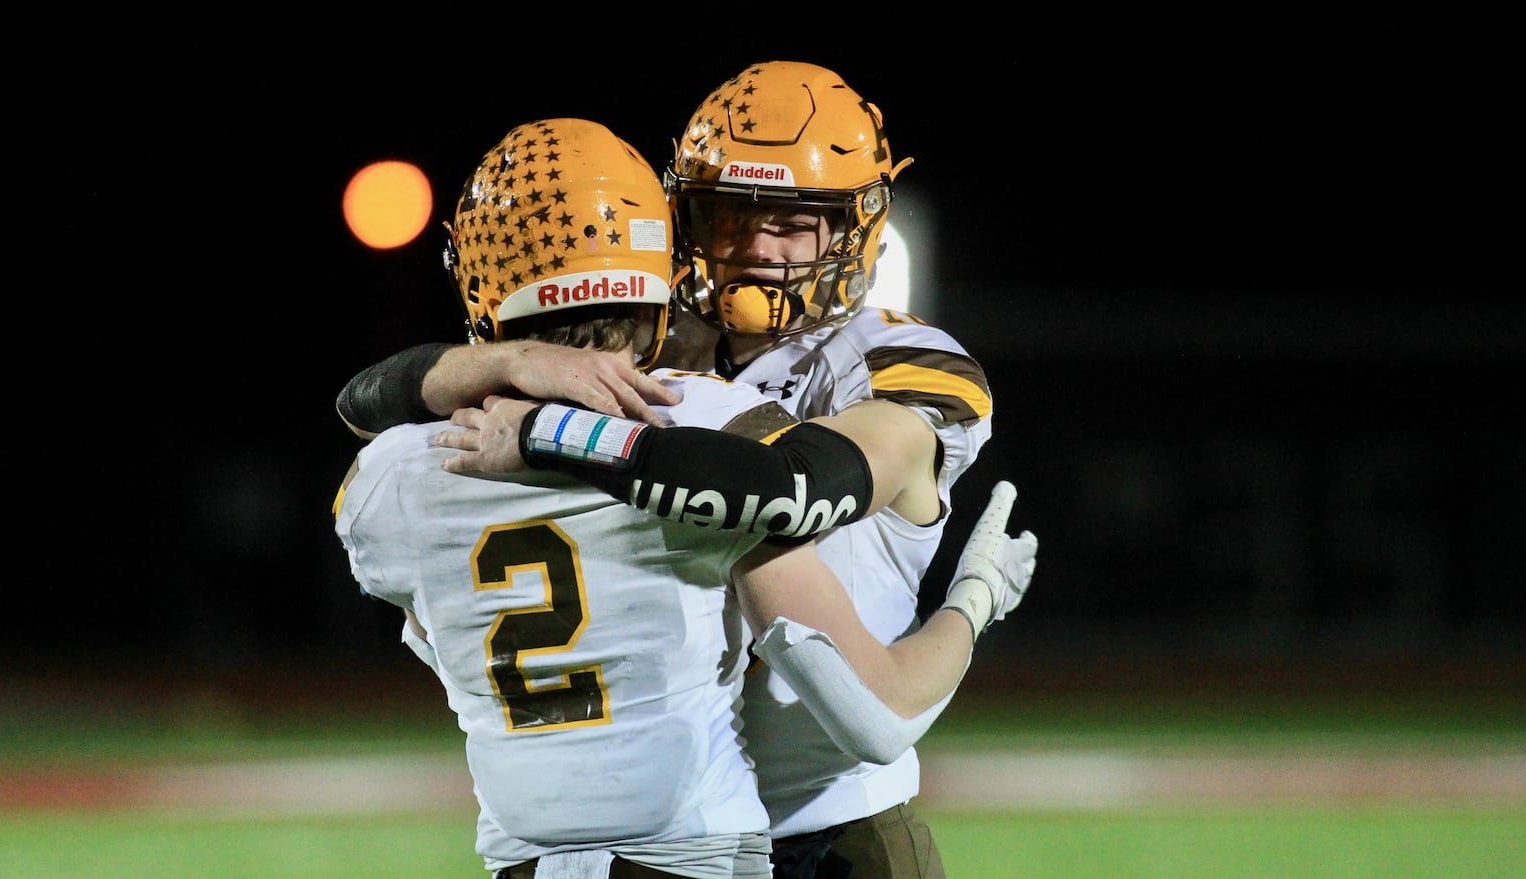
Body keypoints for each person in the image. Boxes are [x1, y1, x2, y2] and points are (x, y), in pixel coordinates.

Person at [336, 62, 1038, 879]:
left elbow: (795, 492)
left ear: (856, 224)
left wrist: (552, 432)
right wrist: (516, 360)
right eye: (727, 214)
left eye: (792, 221)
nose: (755, 247)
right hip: (681, 833)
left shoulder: (903, 360)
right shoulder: (643, 349)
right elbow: (368, 397)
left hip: (835, 820)